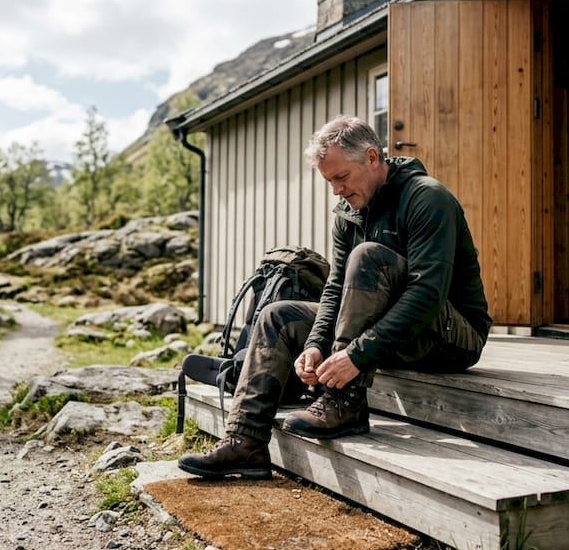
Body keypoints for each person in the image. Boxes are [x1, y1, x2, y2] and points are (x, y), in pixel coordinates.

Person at [178, 115, 491, 479]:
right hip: (394, 337)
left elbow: (427, 295)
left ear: (372, 158)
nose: (336, 190)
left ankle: (345, 402)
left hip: (452, 336)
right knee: (279, 316)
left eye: (341, 177)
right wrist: (314, 343)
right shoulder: (348, 213)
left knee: (368, 257)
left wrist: (355, 356)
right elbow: (335, 287)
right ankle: (244, 442)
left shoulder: (427, 198)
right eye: (329, 181)